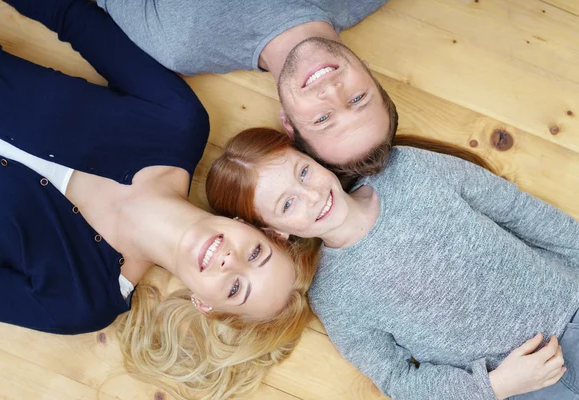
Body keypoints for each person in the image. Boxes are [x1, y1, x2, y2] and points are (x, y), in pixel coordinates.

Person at [0, 1, 317, 398]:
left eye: (234, 290)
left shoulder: (80, 302)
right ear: (251, 226)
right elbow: (71, 14)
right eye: (256, 254)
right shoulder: (177, 120)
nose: (231, 263)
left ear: (205, 305)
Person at [205, 127, 579, 400]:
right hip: (530, 385)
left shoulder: (407, 168)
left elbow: (516, 210)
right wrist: (495, 387)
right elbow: (398, 380)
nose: (313, 195)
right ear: (274, 231)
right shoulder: (333, 295)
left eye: (303, 172)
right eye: (287, 204)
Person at [94, 0, 398, 176]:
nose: (332, 93)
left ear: (289, 123)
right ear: (370, 74)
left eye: (322, 119)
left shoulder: (182, 44)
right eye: (358, 98)